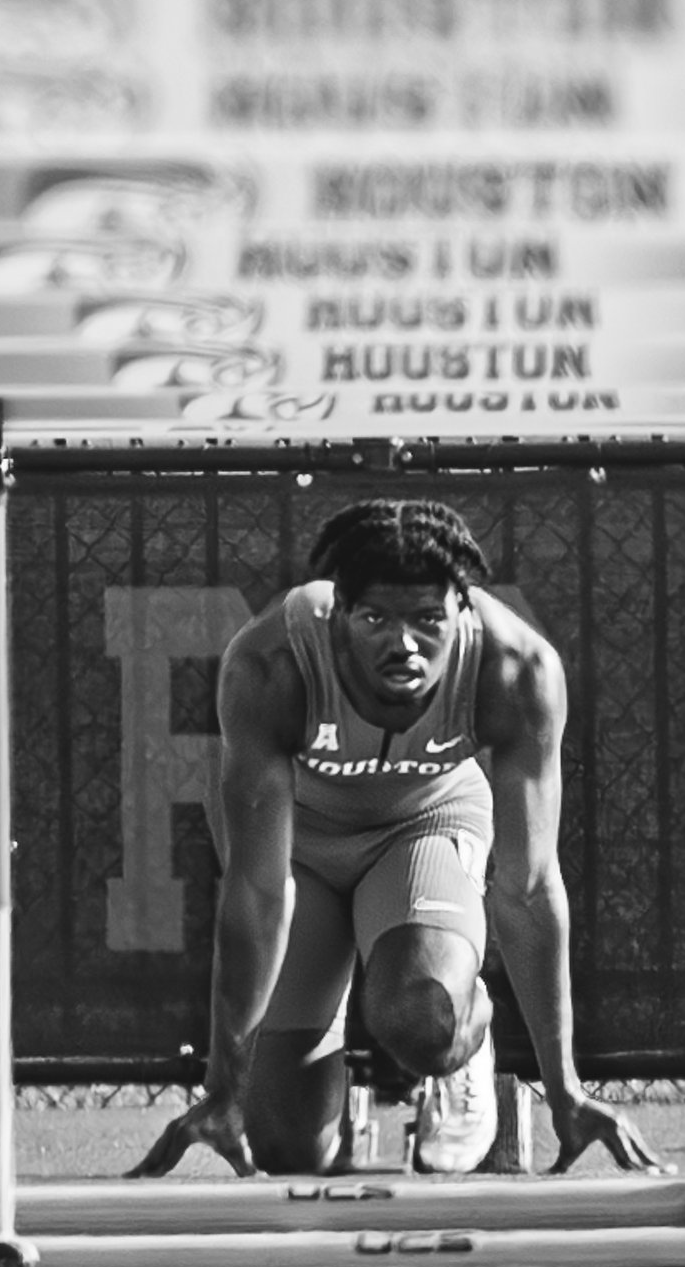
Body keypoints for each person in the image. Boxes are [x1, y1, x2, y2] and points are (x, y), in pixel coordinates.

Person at [131, 498, 656, 1183]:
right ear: (339, 614)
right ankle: (317, 1112)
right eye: (376, 619)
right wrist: (223, 1090)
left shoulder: (515, 669)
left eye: (427, 620)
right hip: (301, 846)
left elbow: (528, 889)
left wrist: (566, 1091)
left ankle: (464, 1038)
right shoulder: (272, 663)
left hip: (426, 826)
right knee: (291, 1151)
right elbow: (258, 894)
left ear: (461, 614)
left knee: (423, 1019)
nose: (403, 644)